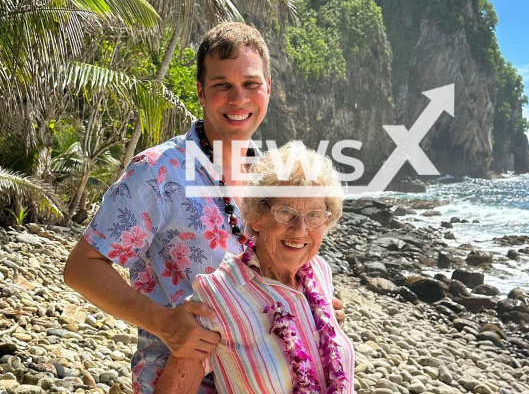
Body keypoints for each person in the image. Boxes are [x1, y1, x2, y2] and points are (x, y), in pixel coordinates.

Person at [63, 23, 345, 394]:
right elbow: (81, 267)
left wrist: (314, 307)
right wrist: (164, 323)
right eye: (221, 85)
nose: (238, 98)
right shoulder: (159, 172)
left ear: (268, 89)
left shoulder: (272, 174)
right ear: (200, 91)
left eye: (250, 84)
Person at [154, 142, 355, 394]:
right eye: (285, 212)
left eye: (314, 215)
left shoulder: (319, 271)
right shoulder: (216, 295)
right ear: (257, 216)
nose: (300, 229)